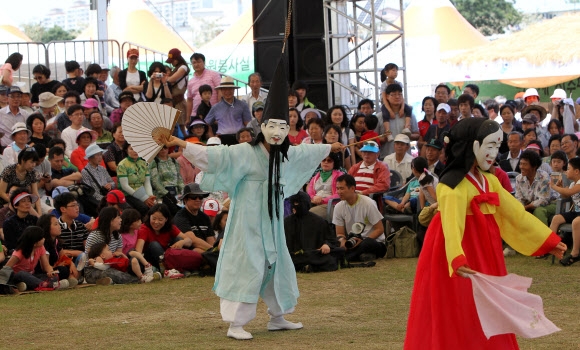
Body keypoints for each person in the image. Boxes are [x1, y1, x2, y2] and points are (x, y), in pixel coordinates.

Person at [159, 55, 343, 340]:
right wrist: (182, 143)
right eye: (274, 126)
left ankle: (278, 316)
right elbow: (216, 156)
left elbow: (307, 152)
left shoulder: (285, 154)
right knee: (249, 262)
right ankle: (236, 323)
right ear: (263, 127)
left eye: (284, 128)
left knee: (276, 261)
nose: (278, 133)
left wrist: (329, 146)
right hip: (247, 217)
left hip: (271, 218)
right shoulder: (246, 152)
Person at [404, 117, 565, 349]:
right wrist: (456, 257)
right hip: (455, 249)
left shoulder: (490, 180)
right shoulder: (452, 185)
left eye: (496, 147)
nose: (493, 153)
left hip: (485, 247)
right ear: (471, 146)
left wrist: (547, 240)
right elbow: (451, 224)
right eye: (488, 146)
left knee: (489, 303)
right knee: (459, 304)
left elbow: (515, 214)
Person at [84, 207, 148, 284]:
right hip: (94, 269)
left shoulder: (117, 236)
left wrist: (120, 256)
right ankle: (139, 279)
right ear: (110, 220)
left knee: (133, 261)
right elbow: (89, 257)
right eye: (118, 218)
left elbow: (118, 257)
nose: (121, 220)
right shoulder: (95, 236)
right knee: (111, 273)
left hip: (113, 265)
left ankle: (142, 275)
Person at [135, 203, 201, 277]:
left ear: (166, 219)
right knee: (154, 245)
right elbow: (138, 250)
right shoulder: (144, 228)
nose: (156, 222)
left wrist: (182, 242)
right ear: (149, 217)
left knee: (179, 239)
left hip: (168, 257)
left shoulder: (170, 227)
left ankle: (179, 268)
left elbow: (189, 241)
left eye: (160, 219)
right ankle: (171, 270)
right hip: (154, 260)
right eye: (153, 218)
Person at [333, 174, 386, 262]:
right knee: (333, 241)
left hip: (372, 241)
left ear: (352, 188)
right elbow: (340, 233)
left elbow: (379, 229)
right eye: (337, 188)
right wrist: (343, 241)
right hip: (352, 242)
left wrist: (361, 240)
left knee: (368, 244)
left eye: (342, 188)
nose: (339, 192)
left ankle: (346, 258)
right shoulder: (338, 207)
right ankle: (361, 256)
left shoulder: (368, 203)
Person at [284, 191, 342, 272]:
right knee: (287, 259)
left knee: (330, 258)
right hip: (294, 256)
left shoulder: (319, 221)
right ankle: (308, 266)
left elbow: (332, 239)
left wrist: (326, 245)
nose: (294, 206)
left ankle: (306, 267)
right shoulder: (286, 222)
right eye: (292, 203)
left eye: (297, 203)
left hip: (315, 254)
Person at [5, 226, 73, 292]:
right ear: (35, 243)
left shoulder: (40, 248)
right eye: (42, 238)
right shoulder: (19, 252)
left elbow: (46, 265)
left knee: (49, 275)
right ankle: (48, 285)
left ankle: (29, 285)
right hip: (18, 276)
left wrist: (51, 272)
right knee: (22, 274)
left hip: (32, 275)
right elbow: (7, 268)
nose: (44, 239)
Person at [549, 157, 580, 265]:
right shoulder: (573, 183)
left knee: (577, 222)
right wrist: (561, 188)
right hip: (576, 212)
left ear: (576, 171)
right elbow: (565, 195)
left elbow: (570, 192)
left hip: (578, 215)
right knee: (556, 218)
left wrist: (553, 186)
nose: (566, 171)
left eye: (568, 169)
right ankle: (551, 246)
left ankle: (575, 254)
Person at [204, 76, 252, 145]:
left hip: (239, 138)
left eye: (230, 89)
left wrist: (247, 137)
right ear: (221, 91)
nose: (227, 92)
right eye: (224, 89)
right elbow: (207, 124)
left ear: (234, 90)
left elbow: (247, 123)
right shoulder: (215, 107)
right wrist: (213, 138)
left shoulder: (243, 105)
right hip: (222, 138)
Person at [515, 150, 556, 226]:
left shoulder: (543, 177)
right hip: (530, 205)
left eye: (525, 164)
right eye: (520, 164)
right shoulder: (519, 179)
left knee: (539, 211)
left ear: (534, 166)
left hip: (551, 203)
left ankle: (543, 236)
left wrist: (527, 207)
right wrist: (521, 207)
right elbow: (519, 197)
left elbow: (544, 200)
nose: (521, 167)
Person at [173, 183, 216, 252]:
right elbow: (192, 240)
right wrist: (213, 251)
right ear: (185, 199)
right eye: (194, 197)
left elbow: (210, 239)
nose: (198, 199)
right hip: (189, 252)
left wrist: (214, 250)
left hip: (206, 250)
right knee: (196, 250)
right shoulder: (180, 217)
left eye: (200, 197)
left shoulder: (205, 217)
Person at [37, 213, 80, 281]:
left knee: (68, 266)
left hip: (55, 268)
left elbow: (64, 257)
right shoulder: (43, 243)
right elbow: (44, 268)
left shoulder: (56, 241)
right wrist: (58, 265)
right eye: (56, 224)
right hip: (45, 272)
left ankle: (71, 278)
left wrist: (72, 265)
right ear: (47, 227)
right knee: (62, 270)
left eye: (58, 224)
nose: (59, 226)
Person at [116, 142, 156, 216]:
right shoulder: (122, 165)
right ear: (126, 150)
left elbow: (147, 183)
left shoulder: (143, 163)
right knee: (143, 207)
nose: (135, 151)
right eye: (132, 149)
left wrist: (150, 196)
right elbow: (125, 186)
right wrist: (144, 198)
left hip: (143, 192)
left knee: (155, 206)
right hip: (128, 194)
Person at [0, 149, 42, 213]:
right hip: (8, 201)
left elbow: (35, 193)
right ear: (23, 160)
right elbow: (1, 192)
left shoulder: (32, 173)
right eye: (31, 162)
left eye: (35, 162)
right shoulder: (9, 170)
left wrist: (40, 212)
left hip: (24, 201)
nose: (34, 165)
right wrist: (16, 202)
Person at [307, 152, 344, 218]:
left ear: (334, 163)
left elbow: (339, 194)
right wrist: (314, 197)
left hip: (331, 205)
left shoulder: (340, 176)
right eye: (323, 160)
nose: (326, 162)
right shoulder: (316, 176)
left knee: (308, 214)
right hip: (314, 202)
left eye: (329, 160)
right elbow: (310, 191)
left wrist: (323, 200)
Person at [149, 145, 183, 215]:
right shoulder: (154, 162)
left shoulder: (174, 161)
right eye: (161, 148)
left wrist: (183, 191)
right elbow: (155, 180)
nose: (163, 150)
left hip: (175, 191)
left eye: (165, 148)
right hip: (162, 193)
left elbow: (179, 178)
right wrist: (166, 194)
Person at [186, 52, 221, 120]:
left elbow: (220, 91)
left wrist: (219, 109)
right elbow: (189, 100)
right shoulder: (191, 81)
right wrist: (188, 118)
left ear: (204, 62)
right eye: (194, 62)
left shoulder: (214, 75)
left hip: (212, 113)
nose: (196, 64)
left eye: (199, 62)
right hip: (196, 115)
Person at [3, 189, 39, 253]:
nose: (27, 203)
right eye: (23, 201)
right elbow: (11, 246)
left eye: (29, 201)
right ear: (15, 205)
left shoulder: (35, 219)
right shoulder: (9, 223)